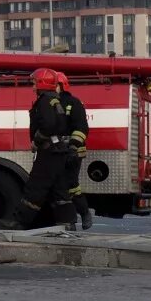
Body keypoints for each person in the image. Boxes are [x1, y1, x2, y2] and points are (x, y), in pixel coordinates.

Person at [14, 68, 77, 230]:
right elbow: (61, 125)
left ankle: (21, 222)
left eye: (34, 83)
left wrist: (37, 140)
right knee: (60, 189)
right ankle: (68, 224)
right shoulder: (55, 100)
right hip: (59, 151)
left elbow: (47, 125)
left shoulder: (43, 101)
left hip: (48, 152)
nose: (32, 86)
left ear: (42, 83)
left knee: (36, 187)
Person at [57, 72, 93, 230]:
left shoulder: (73, 103)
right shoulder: (50, 103)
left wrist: (72, 147)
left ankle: (84, 213)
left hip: (73, 151)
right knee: (59, 187)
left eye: (55, 85)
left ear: (62, 86)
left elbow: (81, 128)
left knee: (71, 185)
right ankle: (69, 221)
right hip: (56, 151)